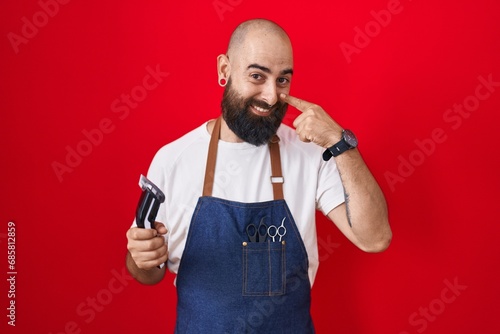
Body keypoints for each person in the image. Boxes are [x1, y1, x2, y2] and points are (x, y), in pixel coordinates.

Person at [126, 18, 392, 333]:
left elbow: (375, 238)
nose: (270, 96)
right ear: (224, 70)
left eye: (282, 80)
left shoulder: (310, 153)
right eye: (257, 76)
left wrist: (340, 144)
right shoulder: (173, 160)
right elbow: (146, 272)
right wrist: (142, 258)